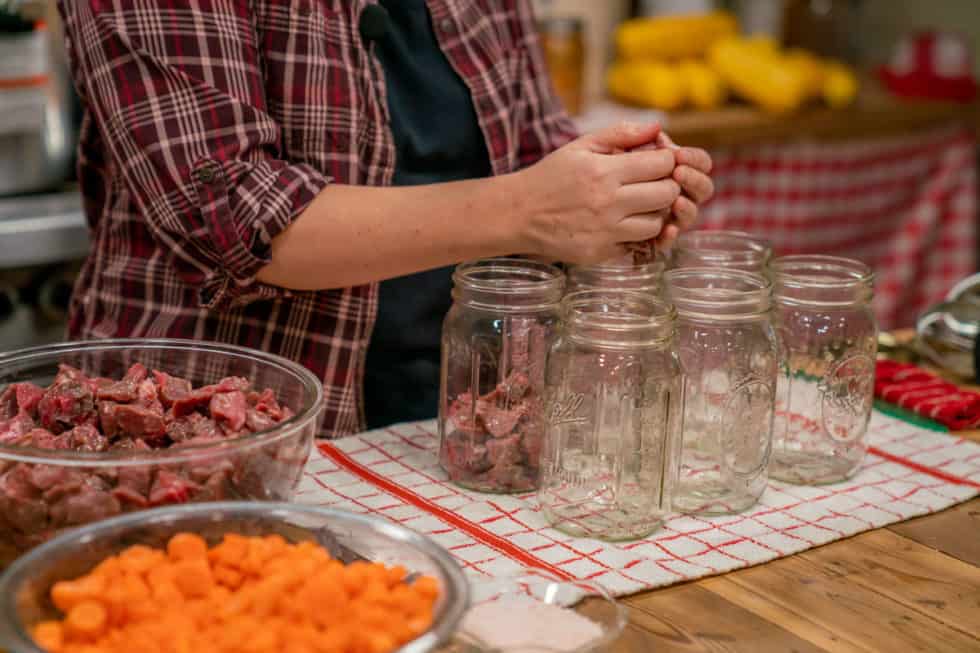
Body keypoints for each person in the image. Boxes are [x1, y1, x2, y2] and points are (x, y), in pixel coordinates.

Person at [56, 1, 714, 438]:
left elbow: (534, 145)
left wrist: (620, 196)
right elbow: (240, 216)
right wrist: (537, 208)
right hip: (212, 442)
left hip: (447, 434)